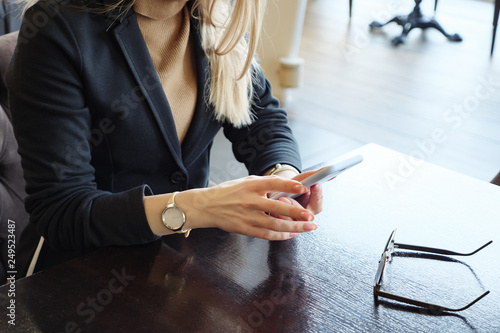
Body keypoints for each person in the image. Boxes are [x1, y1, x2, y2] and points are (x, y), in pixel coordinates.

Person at [7, 0, 323, 278]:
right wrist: (200, 207)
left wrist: (283, 178)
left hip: (182, 266)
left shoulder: (212, 15)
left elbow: (261, 119)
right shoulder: (56, 28)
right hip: (77, 274)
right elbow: (62, 210)